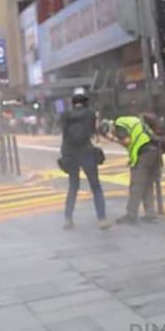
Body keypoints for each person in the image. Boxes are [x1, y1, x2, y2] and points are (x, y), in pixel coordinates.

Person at [60, 91, 109, 230]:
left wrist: (65, 155)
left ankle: (68, 219)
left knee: (73, 186)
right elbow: (93, 132)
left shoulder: (65, 115)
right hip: (86, 152)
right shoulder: (90, 114)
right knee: (96, 186)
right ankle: (102, 219)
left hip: (71, 153)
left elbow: (64, 135)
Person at [99, 114, 160, 225]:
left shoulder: (119, 125)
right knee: (147, 184)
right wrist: (133, 158)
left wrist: (113, 139)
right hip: (153, 150)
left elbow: (127, 141)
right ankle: (150, 213)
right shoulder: (126, 120)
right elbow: (134, 141)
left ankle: (131, 215)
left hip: (144, 152)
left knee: (136, 185)